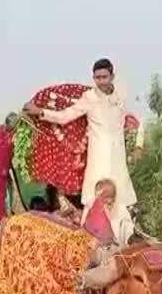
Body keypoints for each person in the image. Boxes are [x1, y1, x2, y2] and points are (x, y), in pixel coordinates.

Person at [26, 59, 142, 244]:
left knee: (120, 200)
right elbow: (65, 117)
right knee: (94, 200)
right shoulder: (89, 98)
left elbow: (134, 119)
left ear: (112, 76)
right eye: (97, 78)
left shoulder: (121, 95)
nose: (101, 81)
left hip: (118, 158)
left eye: (104, 77)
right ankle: (92, 244)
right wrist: (41, 112)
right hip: (98, 158)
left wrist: (138, 145)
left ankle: (124, 242)